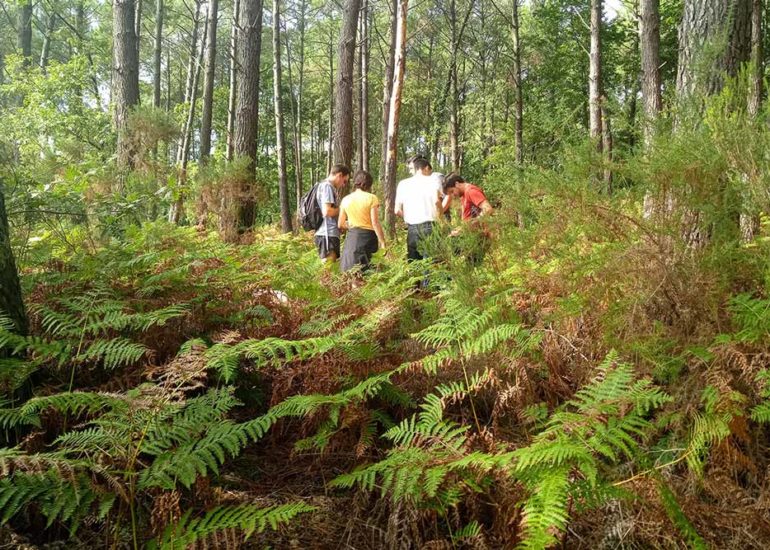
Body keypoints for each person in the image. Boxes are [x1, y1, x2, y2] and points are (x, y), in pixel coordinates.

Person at [395, 157, 443, 261]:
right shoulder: (433, 180)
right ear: (425, 168)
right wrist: (441, 217)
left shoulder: (403, 184)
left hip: (412, 229)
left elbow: (397, 210)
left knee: (415, 267)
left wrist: (408, 217)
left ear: (416, 168)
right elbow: (437, 201)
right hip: (430, 227)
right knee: (430, 264)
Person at [338, 170, 386, 272]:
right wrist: (382, 242)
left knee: (352, 274)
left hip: (351, 239)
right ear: (369, 184)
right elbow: (375, 222)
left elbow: (340, 224)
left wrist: (352, 225)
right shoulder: (372, 198)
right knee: (367, 274)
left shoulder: (345, 199)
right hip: (368, 238)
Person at [314, 164, 351, 262]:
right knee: (328, 270)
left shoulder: (323, 185)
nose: (344, 185)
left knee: (329, 270)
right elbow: (327, 211)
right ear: (339, 175)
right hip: (327, 234)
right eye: (344, 181)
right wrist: (342, 209)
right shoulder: (327, 187)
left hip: (328, 233)